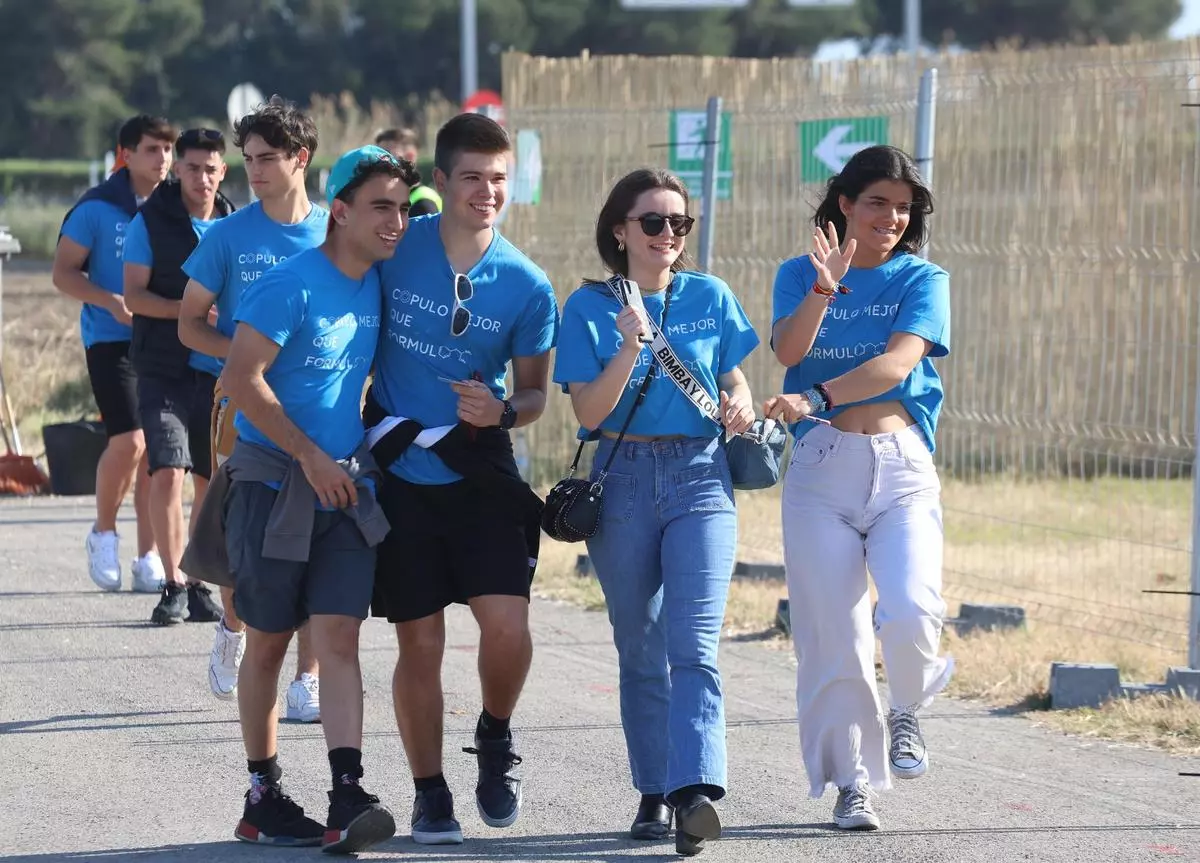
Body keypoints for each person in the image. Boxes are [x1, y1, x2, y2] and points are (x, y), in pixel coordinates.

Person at [552, 168, 760, 857]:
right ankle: (654, 785)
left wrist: (743, 402)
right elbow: (587, 411)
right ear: (621, 230)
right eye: (653, 222)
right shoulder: (586, 307)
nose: (668, 235)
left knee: (692, 640)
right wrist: (630, 344)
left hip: (701, 475)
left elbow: (733, 373)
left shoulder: (711, 294)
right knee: (639, 644)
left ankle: (695, 791)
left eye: (679, 223)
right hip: (624, 477)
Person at [215, 144, 416, 852]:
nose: (396, 222)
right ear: (340, 211)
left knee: (338, 636)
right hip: (273, 486)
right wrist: (307, 454)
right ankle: (262, 793)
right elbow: (241, 379)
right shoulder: (289, 284)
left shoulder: (377, 280)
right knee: (267, 642)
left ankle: (347, 788)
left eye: (402, 208)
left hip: (344, 491)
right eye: (381, 208)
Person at [365, 113, 558, 846]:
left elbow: (537, 396)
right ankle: (429, 790)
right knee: (420, 643)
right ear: (440, 181)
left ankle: (495, 732)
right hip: (401, 472)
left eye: (500, 179)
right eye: (472, 177)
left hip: (480, 468)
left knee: (508, 628)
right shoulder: (393, 248)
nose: (487, 191)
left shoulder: (529, 283)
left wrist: (504, 407)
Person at [763, 144, 953, 832]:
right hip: (820, 472)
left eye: (904, 207)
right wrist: (824, 286)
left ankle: (905, 708)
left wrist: (816, 394)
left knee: (911, 611)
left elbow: (898, 362)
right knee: (833, 638)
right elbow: (786, 351)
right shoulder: (798, 273)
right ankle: (854, 784)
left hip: (900, 465)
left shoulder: (923, 278)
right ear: (845, 203)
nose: (892, 217)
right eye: (877, 201)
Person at [177, 96, 325, 715]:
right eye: (249, 160)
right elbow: (188, 325)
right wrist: (240, 361)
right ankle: (232, 627)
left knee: (320, 541)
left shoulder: (332, 233)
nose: (254, 171)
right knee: (244, 544)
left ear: (302, 159)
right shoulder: (226, 235)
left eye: (268, 159)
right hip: (240, 409)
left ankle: (307, 676)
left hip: (321, 412)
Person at [52, 114, 176, 594]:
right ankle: (103, 532)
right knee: (131, 441)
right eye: (151, 150)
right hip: (110, 339)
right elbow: (63, 274)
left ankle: (149, 556)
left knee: (160, 450)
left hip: (165, 341)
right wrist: (109, 301)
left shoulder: (178, 204)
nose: (162, 160)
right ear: (125, 154)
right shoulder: (97, 208)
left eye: (167, 150)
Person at [123, 127, 235, 626]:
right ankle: (170, 582)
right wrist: (188, 313)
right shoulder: (150, 220)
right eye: (192, 167)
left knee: (210, 484)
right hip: (164, 368)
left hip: (218, 376)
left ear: (223, 171)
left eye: (211, 169)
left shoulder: (235, 220)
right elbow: (135, 298)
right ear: (178, 168)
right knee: (168, 469)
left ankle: (196, 581)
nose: (202, 178)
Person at [375, 126, 442, 216]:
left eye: (386, 155)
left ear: (410, 157)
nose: (378, 161)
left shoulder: (424, 203)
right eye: (377, 155)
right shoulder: (396, 198)